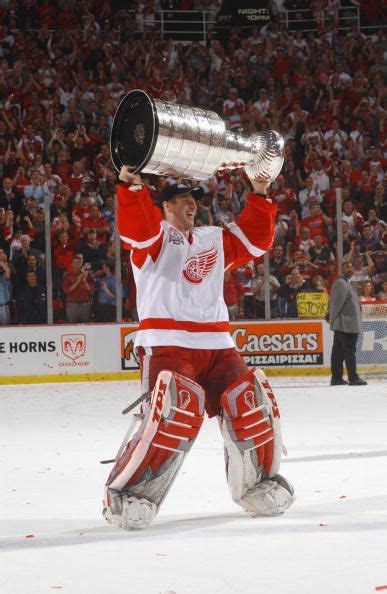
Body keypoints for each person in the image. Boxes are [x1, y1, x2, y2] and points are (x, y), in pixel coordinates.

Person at [103, 166, 295, 530]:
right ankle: (130, 494)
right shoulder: (154, 237)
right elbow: (135, 228)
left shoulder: (212, 239)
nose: (192, 204)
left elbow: (255, 240)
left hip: (217, 342)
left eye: (195, 198)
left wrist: (259, 189)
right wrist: (132, 186)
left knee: (249, 404)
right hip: (167, 343)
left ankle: (256, 484)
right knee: (172, 416)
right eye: (183, 198)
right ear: (165, 205)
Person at [328, 262, 367, 386]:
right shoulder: (341, 283)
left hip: (345, 324)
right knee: (349, 352)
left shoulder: (346, 283)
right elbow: (336, 304)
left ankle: (336, 378)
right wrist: (332, 319)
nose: (350, 268)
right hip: (346, 325)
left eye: (351, 266)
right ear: (342, 269)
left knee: (338, 353)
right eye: (347, 267)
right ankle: (353, 378)